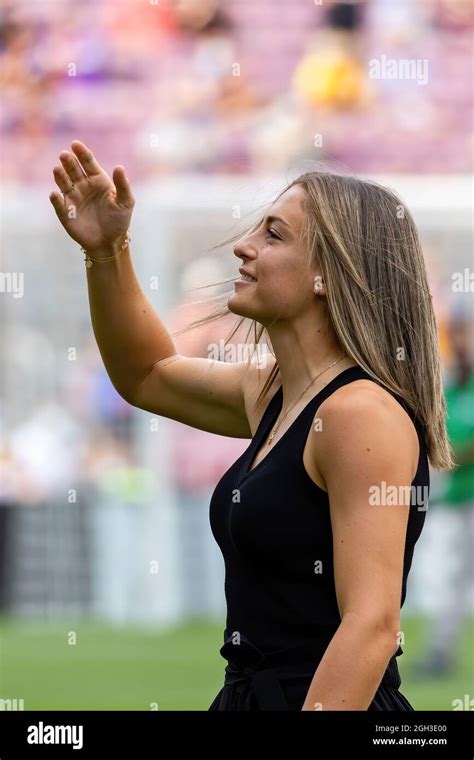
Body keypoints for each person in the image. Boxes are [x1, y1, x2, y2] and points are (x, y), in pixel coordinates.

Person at [49, 141, 453, 710]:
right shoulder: (273, 393)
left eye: (274, 235)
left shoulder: (358, 413)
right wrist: (107, 250)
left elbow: (371, 626)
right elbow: (145, 374)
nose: (243, 247)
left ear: (327, 276)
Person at [414, 311, 474, 677]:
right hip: (459, 499)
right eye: (458, 334)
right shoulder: (452, 387)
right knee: (454, 578)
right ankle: (441, 652)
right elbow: (441, 443)